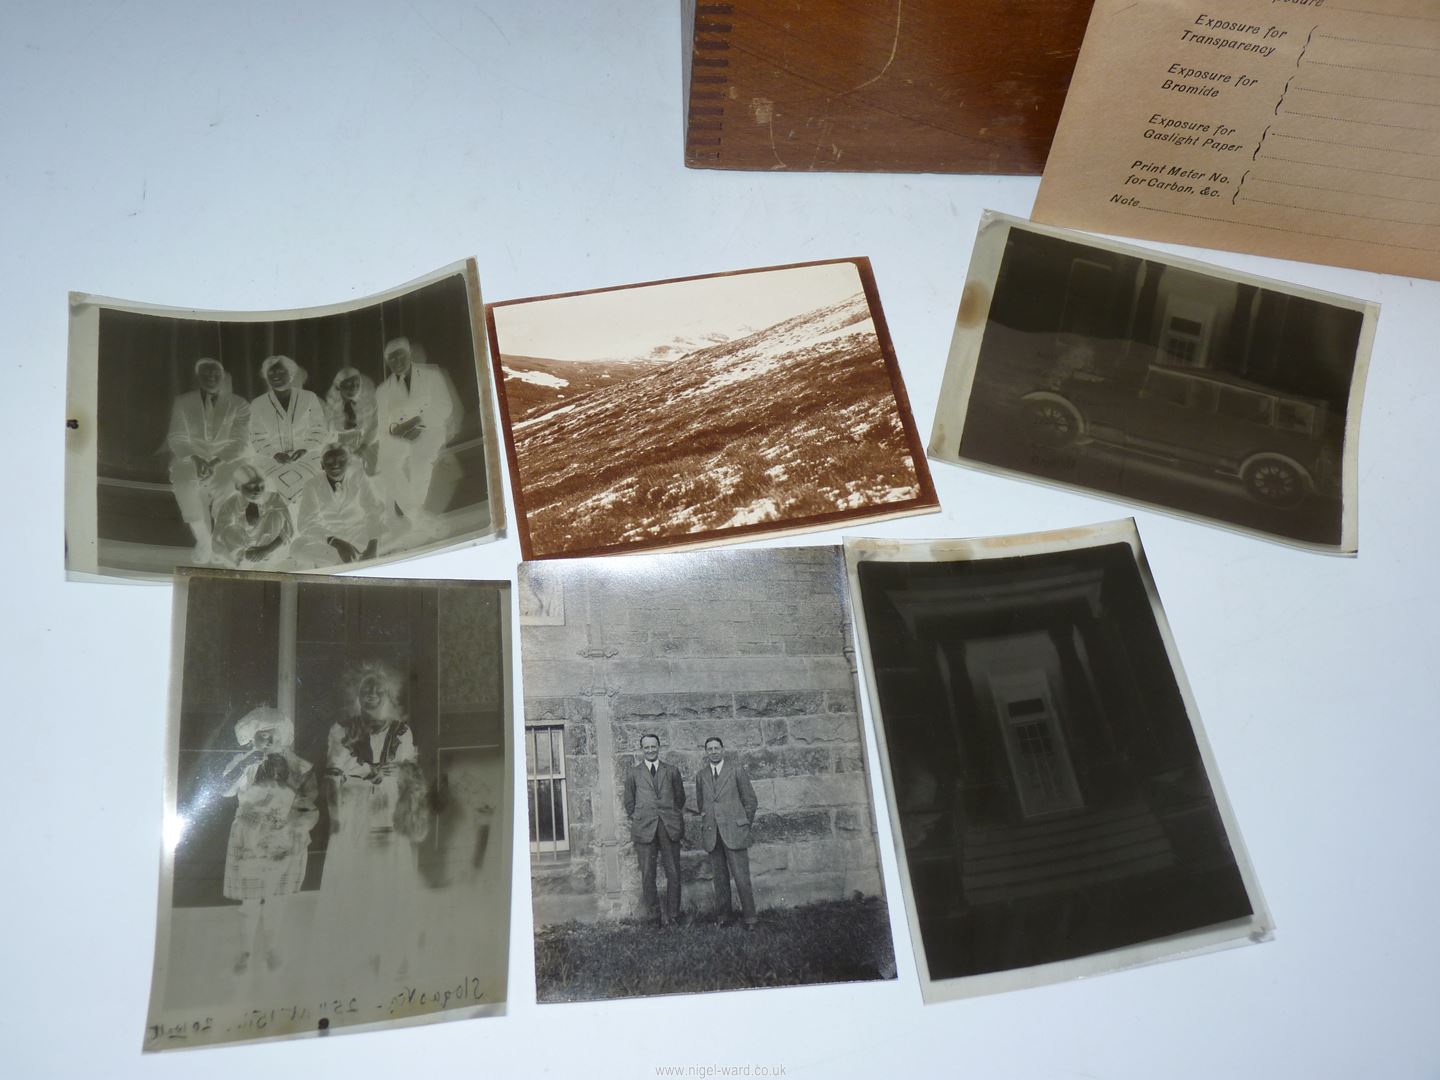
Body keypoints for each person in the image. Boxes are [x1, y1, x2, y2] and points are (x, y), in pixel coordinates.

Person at [319, 660, 431, 978]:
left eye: (377, 688)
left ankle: (395, 953)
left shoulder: (402, 731)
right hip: (355, 812)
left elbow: (407, 771)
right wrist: (336, 818)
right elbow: (333, 774)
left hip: (389, 810)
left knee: (391, 882)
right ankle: (362, 954)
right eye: (365, 688)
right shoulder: (342, 729)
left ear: (387, 693)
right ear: (357, 693)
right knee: (358, 882)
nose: (371, 693)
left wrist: (401, 776)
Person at [219, 706, 319, 974]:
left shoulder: (298, 766)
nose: (268, 740)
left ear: (284, 735)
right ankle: (245, 951)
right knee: (250, 901)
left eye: (274, 734)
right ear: (251, 737)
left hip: (282, 838)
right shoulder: (244, 765)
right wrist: (246, 762)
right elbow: (224, 790)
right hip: (249, 839)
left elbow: (308, 801)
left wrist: (297, 826)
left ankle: (272, 948)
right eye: (261, 735)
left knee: (276, 900)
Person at [166, 357, 251, 563]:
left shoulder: (239, 404)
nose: (211, 378)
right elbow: (176, 437)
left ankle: (220, 542)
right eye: (206, 373)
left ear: (223, 377)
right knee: (184, 482)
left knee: (226, 484)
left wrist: (214, 462)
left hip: (225, 459)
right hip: (190, 458)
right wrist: (196, 459)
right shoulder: (183, 401)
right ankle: (204, 540)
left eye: (216, 374)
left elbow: (239, 442)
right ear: (198, 377)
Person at [374, 337, 458, 536]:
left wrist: (415, 423)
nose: (397, 362)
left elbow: (444, 406)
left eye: (401, 356)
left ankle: (416, 513)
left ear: (409, 355)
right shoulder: (383, 390)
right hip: (400, 436)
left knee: (419, 458)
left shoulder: (431, 374)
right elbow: (384, 423)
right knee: (386, 462)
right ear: (387, 363)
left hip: (430, 429)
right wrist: (397, 430)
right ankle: (416, 514)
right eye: (392, 359)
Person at [621, 733, 686, 925]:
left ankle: (674, 915)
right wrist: (641, 817)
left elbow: (680, 798)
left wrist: (670, 815)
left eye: (653, 746)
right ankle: (653, 917)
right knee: (648, 873)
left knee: (673, 872)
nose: (650, 750)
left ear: (659, 747)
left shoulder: (671, 771)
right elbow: (629, 802)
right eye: (646, 747)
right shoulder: (634, 773)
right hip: (644, 828)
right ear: (642, 749)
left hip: (668, 827)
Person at [695, 737, 759, 929]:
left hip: (735, 832)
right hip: (713, 833)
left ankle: (750, 918)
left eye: (717, 748)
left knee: (741, 877)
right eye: (710, 749)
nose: (713, 751)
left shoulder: (736, 770)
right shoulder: (701, 775)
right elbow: (701, 803)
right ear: (706, 752)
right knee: (720, 878)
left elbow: (750, 801)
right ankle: (724, 916)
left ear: (722, 750)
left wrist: (742, 823)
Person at [248, 354, 328, 505]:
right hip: (270, 458)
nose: (275, 376)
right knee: (272, 483)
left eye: (280, 372)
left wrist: (305, 448)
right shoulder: (258, 403)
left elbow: (318, 429)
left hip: (306, 456)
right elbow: (257, 437)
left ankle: (305, 521)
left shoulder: (309, 397)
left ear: (291, 374)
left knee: (309, 482)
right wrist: (275, 454)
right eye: (271, 373)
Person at [289, 444, 386, 567]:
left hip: (360, 533)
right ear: (322, 465)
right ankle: (350, 559)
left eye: (341, 460)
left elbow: (373, 509)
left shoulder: (359, 476)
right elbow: (307, 522)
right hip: (329, 539)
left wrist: (373, 545)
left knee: (391, 532)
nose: (336, 464)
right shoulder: (312, 485)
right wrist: (337, 542)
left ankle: (346, 559)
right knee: (296, 548)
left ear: (349, 462)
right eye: (329, 461)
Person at [211, 464, 293, 568]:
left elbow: (289, 529)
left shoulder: (273, 498)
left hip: (269, 546)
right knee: (228, 530)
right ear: (238, 486)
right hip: (243, 550)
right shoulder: (230, 504)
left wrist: (267, 550)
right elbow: (217, 538)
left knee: (275, 515)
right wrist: (237, 557)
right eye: (251, 486)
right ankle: (244, 560)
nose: (258, 490)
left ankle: (266, 559)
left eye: (262, 485)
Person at [323, 366, 379, 475]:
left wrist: (363, 447)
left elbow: (374, 426)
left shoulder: (369, 403)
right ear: (339, 386)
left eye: (357, 384)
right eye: (348, 384)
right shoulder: (329, 406)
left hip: (365, 446)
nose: (353, 388)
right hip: (339, 450)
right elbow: (327, 433)